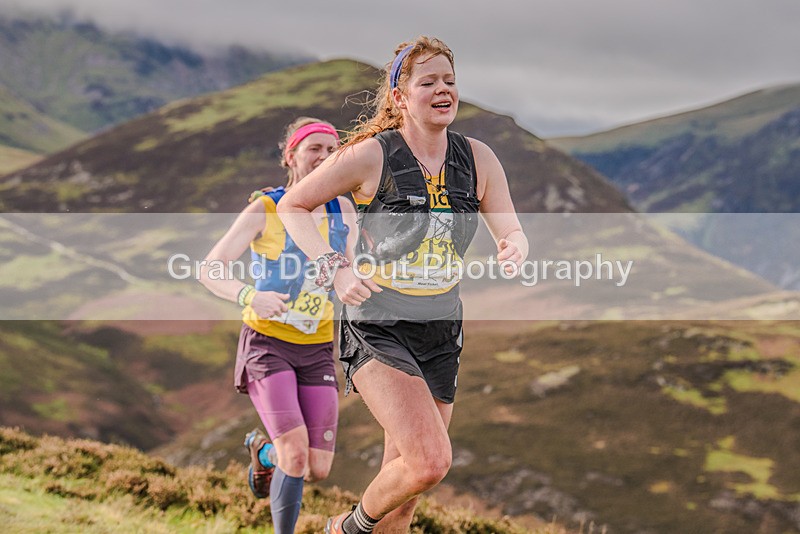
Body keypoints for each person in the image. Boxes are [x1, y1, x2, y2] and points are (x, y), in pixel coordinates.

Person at [277, 37, 528, 534]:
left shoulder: (478, 158)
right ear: (399, 96)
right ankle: (344, 529)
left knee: (407, 498)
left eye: (450, 81)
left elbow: (510, 226)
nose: (443, 91)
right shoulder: (372, 156)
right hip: (378, 323)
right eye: (428, 82)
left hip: (440, 329)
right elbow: (293, 205)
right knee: (430, 462)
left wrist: (514, 245)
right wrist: (335, 265)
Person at [198, 117, 357, 534]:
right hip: (267, 343)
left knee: (318, 468)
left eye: (331, 149)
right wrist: (250, 295)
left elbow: (351, 270)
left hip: (318, 345)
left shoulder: (345, 210)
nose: (324, 157)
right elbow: (211, 269)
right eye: (314, 148)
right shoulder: (265, 208)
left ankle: (262, 453)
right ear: (291, 156)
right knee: (297, 455)